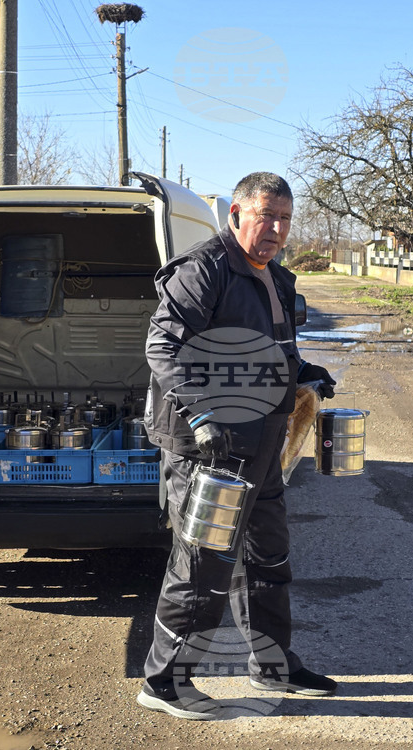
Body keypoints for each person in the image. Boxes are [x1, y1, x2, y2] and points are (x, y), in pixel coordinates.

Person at [137, 172, 337, 720]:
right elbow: (162, 345)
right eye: (265, 216)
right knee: (202, 565)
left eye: (285, 219)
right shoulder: (204, 271)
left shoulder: (275, 277)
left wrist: (306, 372)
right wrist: (201, 415)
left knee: (268, 557)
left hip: (263, 445)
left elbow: (272, 352)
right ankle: (163, 682)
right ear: (236, 215)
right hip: (209, 449)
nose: (275, 229)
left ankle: (273, 664)